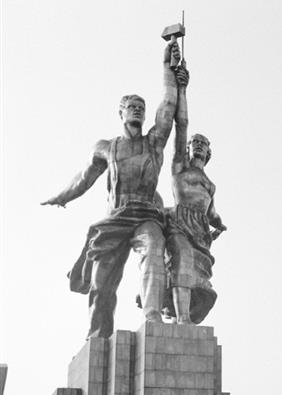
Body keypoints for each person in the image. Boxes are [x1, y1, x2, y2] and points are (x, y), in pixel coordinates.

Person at [41, 40, 184, 339]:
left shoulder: (154, 142)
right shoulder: (106, 147)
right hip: (116, 217)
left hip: (146, 213)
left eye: (141, 108)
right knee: (101, 284)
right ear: (120, 113)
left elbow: (168, 106)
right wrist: (62, 196)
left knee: (154, 250)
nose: (137, 111)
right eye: (131, 107)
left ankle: (153, 318)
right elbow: (84, 177)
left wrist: (167, 68)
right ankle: (98, 337)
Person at [163, 61, 226, 324]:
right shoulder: (180, 167)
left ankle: (183, 315)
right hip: (179, 222)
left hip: (200, 231)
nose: (198, 146)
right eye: (195, 143)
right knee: (182, 263)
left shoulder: (210, 184)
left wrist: (220, 226)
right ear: (188, 149)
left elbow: (211, 213)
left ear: (208, 153)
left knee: (197, 279)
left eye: (203, 144)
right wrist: (181, 89)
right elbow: (182, 124)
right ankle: (181, 319)